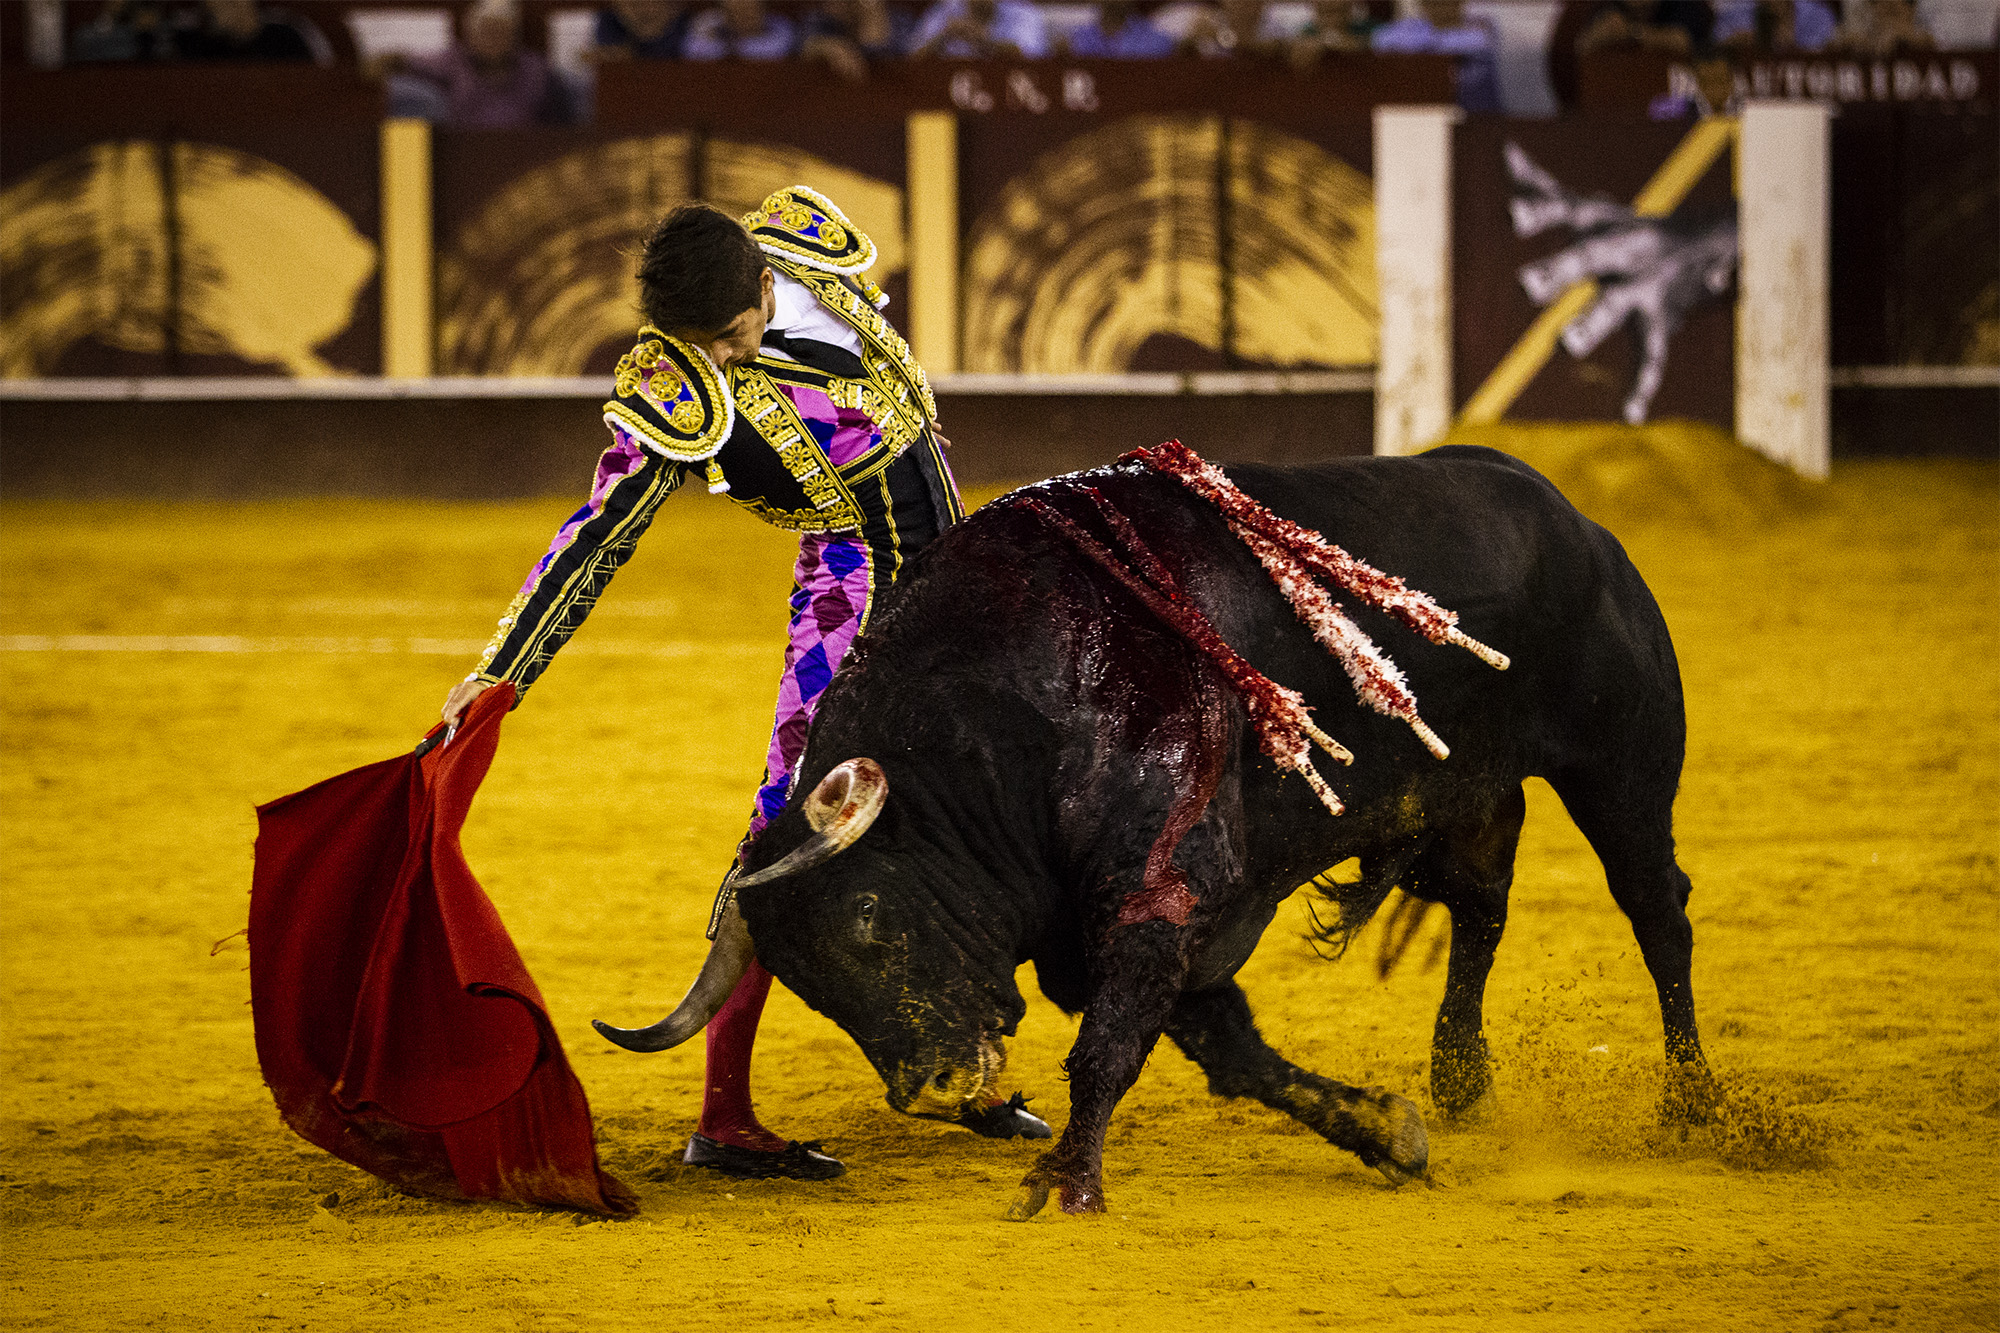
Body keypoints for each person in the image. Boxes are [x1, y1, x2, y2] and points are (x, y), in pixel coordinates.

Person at [439, 189, 1050, 1180]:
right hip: (848, 601)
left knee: (989, 813)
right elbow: (597, 535)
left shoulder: (809, 252)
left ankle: (970, 1066)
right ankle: (723, 1114)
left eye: (731, 336)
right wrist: (502, 671)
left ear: (768, 286)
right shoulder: (676, 385)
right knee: (791, 832)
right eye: (701, 346)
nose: (718, 363)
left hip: (959, 587)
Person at [370, 0, 569, 129]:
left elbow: (562, 120)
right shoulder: (453, 62)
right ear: (471, 35)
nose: (493, 39)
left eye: (501, 32)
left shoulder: (536, 69)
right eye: (486, 31)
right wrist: (385, 63)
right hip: (465, 152)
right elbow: (404, 62)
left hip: (526, 151)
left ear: (514, 36)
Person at [1370, 0, 1502, 113]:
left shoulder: (1477, 34)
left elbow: (1474, 42)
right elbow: (1382, 39)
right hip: (1408, 110)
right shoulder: (1404, 30)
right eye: (1434, 1)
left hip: (1467, 112)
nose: (1441, 5)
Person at [908, 0, 1051, 59]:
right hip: (946, 98)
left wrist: (984, 40)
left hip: (1009, 100)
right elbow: (913, 58)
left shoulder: (1023, 13)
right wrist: (944, 35)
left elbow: (1033, 60)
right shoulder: (948, 9)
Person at [681, 0, 800, 61]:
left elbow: (775, 50)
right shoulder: (709, 23)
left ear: (763, 10)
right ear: (726, 14)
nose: (744, 17)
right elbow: (692, 50)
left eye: (750, 11)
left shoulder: (781, 27)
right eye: (737, 12)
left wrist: (730, 45)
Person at [588, 0, 694, 61]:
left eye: (657, 2)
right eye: (635, 4)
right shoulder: (605, 26)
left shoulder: (697, 29)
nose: (646, 10)